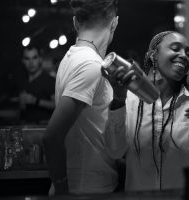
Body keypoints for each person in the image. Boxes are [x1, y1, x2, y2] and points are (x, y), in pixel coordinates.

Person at [103, 31, 189, 191]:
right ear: (153, 55)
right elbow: (114, 151)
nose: (184, 56)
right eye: (175, 48)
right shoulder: (130, 100)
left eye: (188, 53)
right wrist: (118, 99)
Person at [43, 0, 119, 195]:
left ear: (75, 23)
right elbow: (52, 136)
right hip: (85, 188)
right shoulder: (90, 65)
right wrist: (62, 189)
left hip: (85, 185)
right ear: (114, 23)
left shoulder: (71, 57)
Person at [16, 45, 55, 124]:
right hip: (25, 126)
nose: (31, 62)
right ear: (23, 61)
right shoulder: (21, 81)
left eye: (34, 58)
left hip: (44, 128)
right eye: (27, 58)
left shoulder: (50, 80)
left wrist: (35, 101)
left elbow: (58, 105)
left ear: (40, 59)